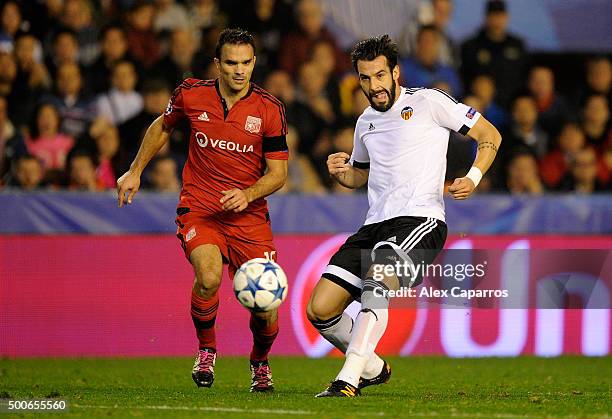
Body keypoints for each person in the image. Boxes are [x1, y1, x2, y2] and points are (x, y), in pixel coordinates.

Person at [306, 34, 501, 397]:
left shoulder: (429, 102)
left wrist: (473, 178)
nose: (374, 86)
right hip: (374, 224)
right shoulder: (365, 121)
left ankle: (347, 379)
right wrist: (342, 172)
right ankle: (374, 367)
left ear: (395, 72)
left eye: (380, 76)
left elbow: (490, 136)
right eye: (365, 78)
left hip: (421, 220)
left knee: (377, 284)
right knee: (320, 309)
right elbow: (361, 174)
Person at [116, 28, 288, 393]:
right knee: (209, 276)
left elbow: (279, 174)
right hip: (201, 209)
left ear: (254, 62)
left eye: (246, 63)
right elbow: (162, 127)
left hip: (249, 217)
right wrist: (135, 170)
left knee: (266, 308)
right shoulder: (191, 95)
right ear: (218, 64)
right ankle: (207, 350)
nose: (239, 71)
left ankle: (259, 361)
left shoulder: (269, 109)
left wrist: (248, 193)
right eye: (231, 63)